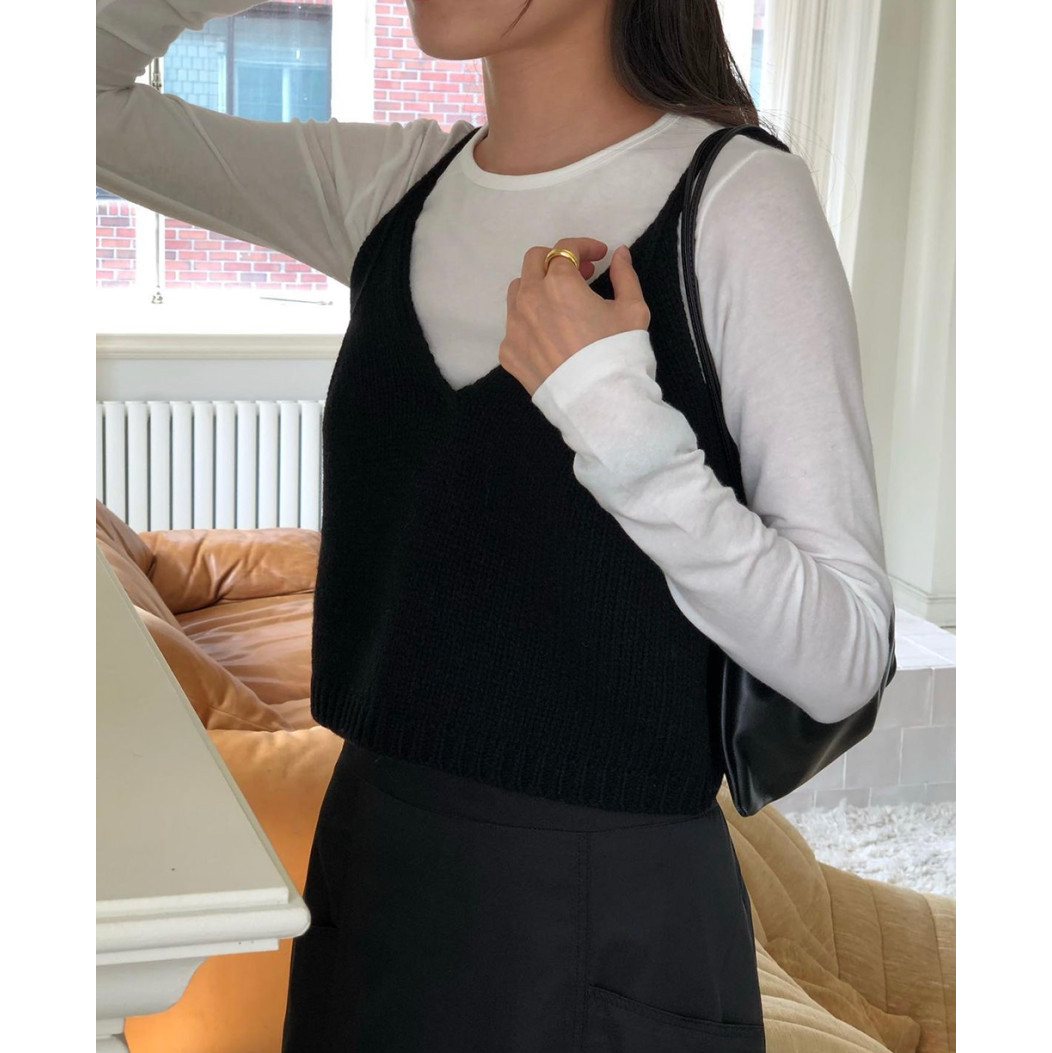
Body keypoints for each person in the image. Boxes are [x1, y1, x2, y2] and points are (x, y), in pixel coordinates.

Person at [97, 1, 896, 1050]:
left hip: (601, 926)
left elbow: (843, 659)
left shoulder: (739, 201)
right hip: (367, 875)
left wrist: (613, 415)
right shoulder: (394, 188)